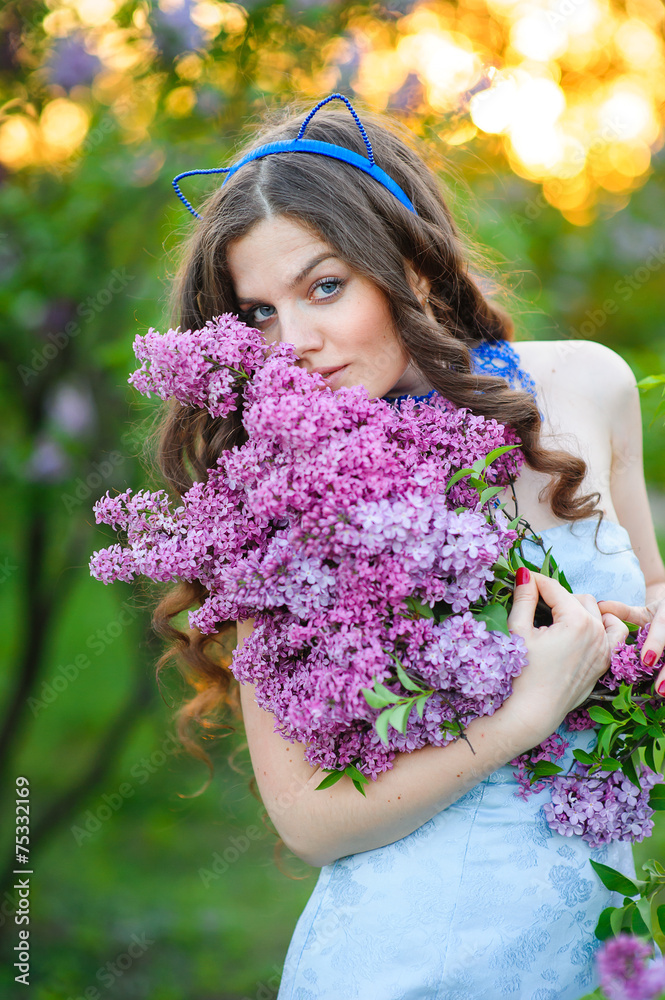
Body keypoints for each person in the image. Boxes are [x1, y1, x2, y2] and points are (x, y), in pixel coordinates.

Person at [154, 95, 665, 998]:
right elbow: (308, 823)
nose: (296, 343)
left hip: (598, 950)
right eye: (259, 313)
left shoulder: (588, 383)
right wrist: (524, 717)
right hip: (407, 964)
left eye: (324, 286)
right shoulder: (277, 507)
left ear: (412, 261)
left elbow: (652, 586)